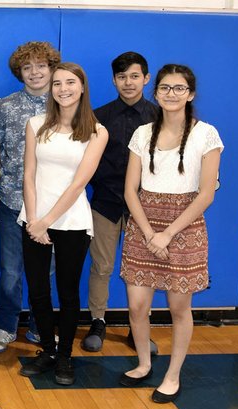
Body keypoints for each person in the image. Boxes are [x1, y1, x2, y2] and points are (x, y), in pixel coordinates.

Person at [119, 64, 222, 404]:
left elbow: (206, 193)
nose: (171, 94)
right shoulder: (142, 133)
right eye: (165, 88)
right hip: (142, 224)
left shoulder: (206, 134)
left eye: (179, 88)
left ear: (190, 94)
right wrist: (150, 232)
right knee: (136, 305)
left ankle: (173, 374)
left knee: (179, 308)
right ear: (156, 92)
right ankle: (144, 363)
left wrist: (167, 234)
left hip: (185, 226)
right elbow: (131, 190)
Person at [17, 63, 107, 386]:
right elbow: (28, 175)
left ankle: (65, 355)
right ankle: (48, 350)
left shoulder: (97, 131)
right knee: (38, 291)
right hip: (33, 220)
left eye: (70, 82)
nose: (63, 88)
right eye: (57, 83)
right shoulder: (36, 123)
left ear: (82, 87)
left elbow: (77, 184)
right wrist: (33, 219)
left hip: (71, 222)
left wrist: (47, 222)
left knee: (68, 292)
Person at [0, 41, 60, 354]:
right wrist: (16, 174)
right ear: (20, 72)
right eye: (27, 67)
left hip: (52, 206)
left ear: (52, 68)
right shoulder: (4, 107)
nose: (34, 72)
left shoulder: (64, 104)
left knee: (46, 271)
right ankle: (6, 327)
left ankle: (40, 327)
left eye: (41, 66)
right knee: (11, 271)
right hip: (12, 201)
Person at [82, 52, 158, 353]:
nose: (129, 82)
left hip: (146, 209)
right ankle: (98, 322)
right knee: (101, 267)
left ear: (146, 78)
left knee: (143, 269)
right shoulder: (97, 118)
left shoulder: (158, 117)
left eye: (135, 76)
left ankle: (137, 326)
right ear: (114, 80)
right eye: (122, 77)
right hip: (106, 203)